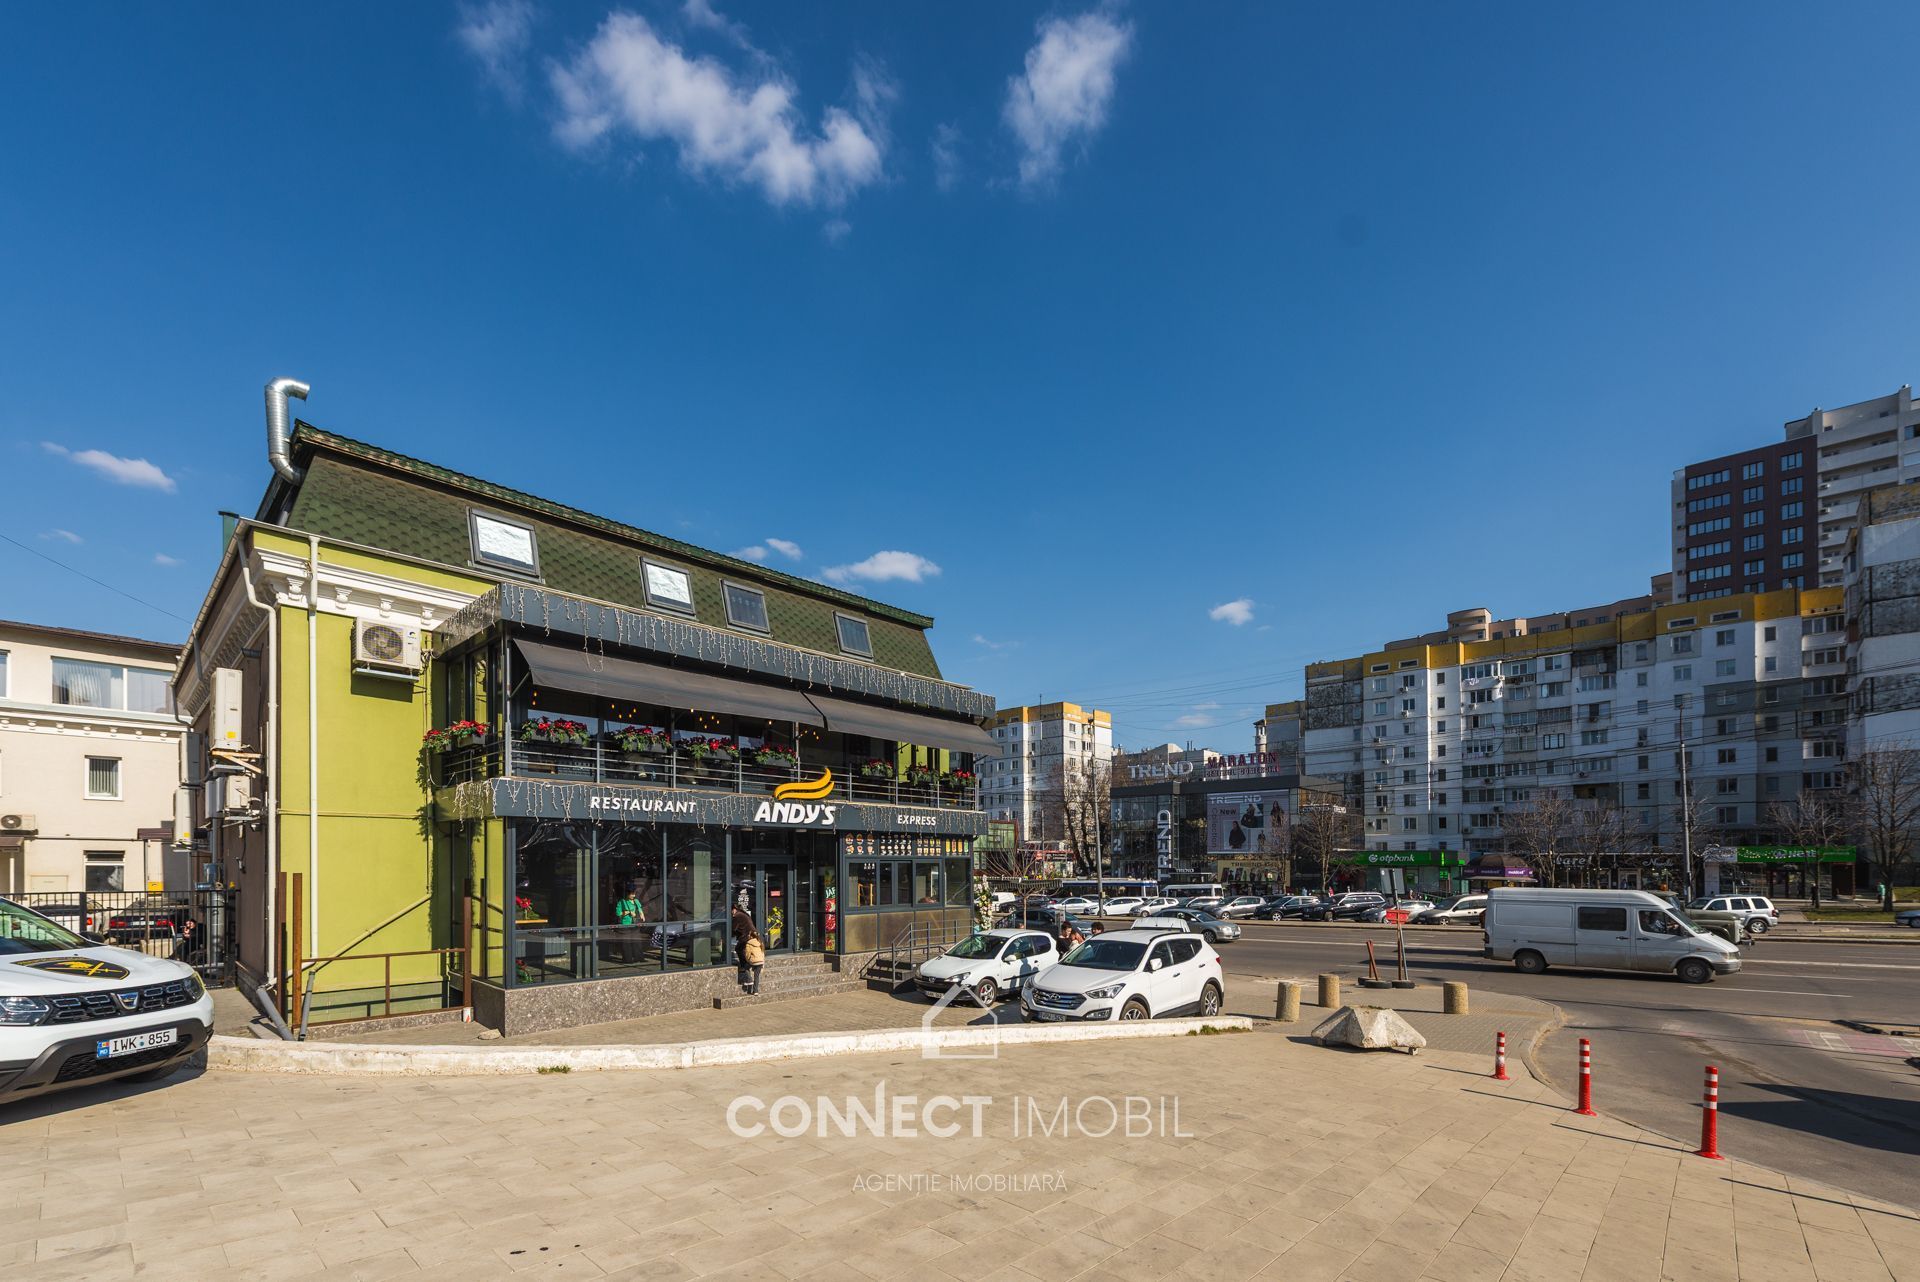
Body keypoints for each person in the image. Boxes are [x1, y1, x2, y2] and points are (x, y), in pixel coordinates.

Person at [741, 929, 766, 995]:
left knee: (745, 968)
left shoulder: (749, 943)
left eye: (749, 934)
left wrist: (748, 960)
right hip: (760, 961)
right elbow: (762, 953)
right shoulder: (760, 942)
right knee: (756, 976)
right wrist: (763, 964)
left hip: (753, 961)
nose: (748, 935)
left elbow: (747, 954)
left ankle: (749, 980)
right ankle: (756, 991)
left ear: (751, 936)